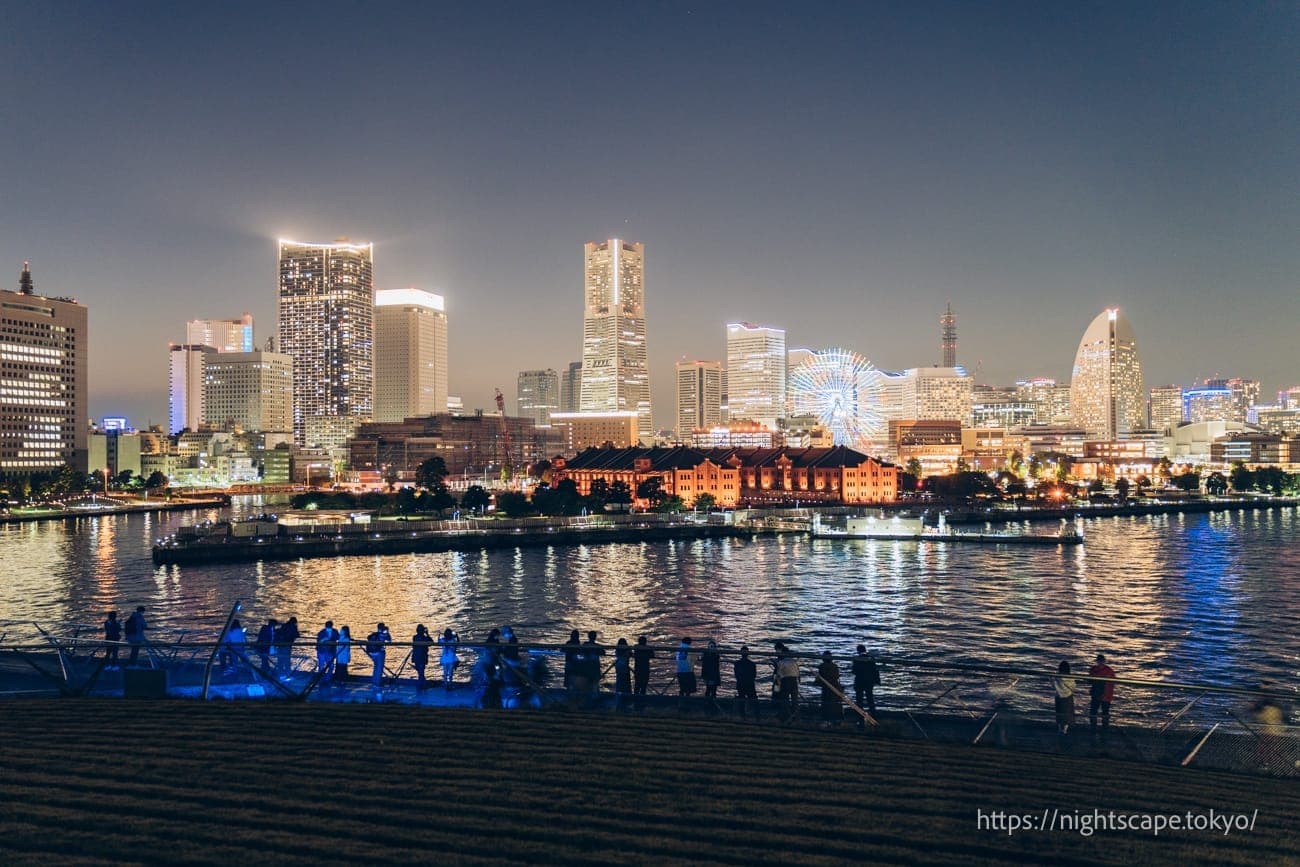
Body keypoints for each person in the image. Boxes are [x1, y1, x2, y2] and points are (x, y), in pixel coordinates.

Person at [1087, 653, 1116, 732]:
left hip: (1099, 694)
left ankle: (1094, 728)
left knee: (1094, 711)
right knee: (1104, 712)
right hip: (1105, 694)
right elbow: (1112, 683)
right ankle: (1104, 728)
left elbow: (1089, 680)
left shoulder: (1093, 669)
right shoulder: (1109, 671)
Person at [774, 641, 800, 724]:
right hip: (794, 681)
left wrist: (778, 683)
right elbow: (798, 672)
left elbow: (779, 674)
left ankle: (786, 716)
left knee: (785, 699)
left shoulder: (781, 662)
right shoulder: (794, 661)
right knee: (794, 700)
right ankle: (795, 716)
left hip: (785, 681)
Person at [851, 644, 881, 715]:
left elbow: (854, 671)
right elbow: (875, 670)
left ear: (858, 650)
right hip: (869, 681)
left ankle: (859, 714)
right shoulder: (870, 659)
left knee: (859, 699)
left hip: (859, 681)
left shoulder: (857, 659)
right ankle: (873, 713)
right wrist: (877, 680)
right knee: (870, 698)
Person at [733, 646, 759, 720]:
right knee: (754, 700)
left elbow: (736, 675)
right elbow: (754, 675)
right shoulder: (752, 664)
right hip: (750, 684)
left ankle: (743, 716)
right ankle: (757, 716)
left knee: (741, 700)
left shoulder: (737, 663)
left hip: (741, 683)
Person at [818, 651, 843, 724]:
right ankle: (836, 719)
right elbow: (837, 676)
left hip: (827, 687)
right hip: (835, 686)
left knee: (826, 703)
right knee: (835, 704)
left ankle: (826, 719)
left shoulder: (822, 666)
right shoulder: (834, 666)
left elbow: (820, 677)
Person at [1053, 660, 1076, 734]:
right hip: (1068, 696)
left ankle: (1059, 728)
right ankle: (1065, 729)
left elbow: (1053, 684)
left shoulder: (1057, 677)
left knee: (1059, 712)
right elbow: (1073, 686)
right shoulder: (1069, 678)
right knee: (1068, 713)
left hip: (1058, 696)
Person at [632, 635, 654, 712]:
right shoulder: (648, 649)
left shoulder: (636, 648)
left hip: (638, 668)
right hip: (645, 668)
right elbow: (652, 655)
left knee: (637, 685)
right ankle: (641, 703)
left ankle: (636, 702)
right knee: (643, 686)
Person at [366, 622, 391, 689]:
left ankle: (374, 682)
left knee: (375, 667)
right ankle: (377, 683)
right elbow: (389, 640)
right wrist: (387, 632)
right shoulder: (383, 635)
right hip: (379, 652)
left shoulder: (374, 634)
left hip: (372, 653)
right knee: (379, 668)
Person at [564, 629, 586, 703]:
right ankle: (574, 697)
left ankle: (569, 696)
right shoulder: (578, 643)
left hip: (569, 663)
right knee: (574, 681)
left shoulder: (569, 643)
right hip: (575, 664)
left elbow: (563, 650)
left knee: (568, 681)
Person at [582, 630, 604, 701]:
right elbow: (603, 652)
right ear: (595, 637)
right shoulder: (596, 646)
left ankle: (588, 699)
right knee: (594, 684)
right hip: (594, 666)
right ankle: (594, 699)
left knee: (588, 684)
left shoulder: (585, 645)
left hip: (587, 666)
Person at [675, 637, 696, 709]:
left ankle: (680, 703)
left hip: (679, 670)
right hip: (688, 671)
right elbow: (694, 660)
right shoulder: (690, 649)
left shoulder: (678, 649)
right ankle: (687, 703)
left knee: (681, 687)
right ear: (689, 642)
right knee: (688, 688)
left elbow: (676, 659)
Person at [412, 625, 433, 690]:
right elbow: (431, 642)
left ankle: (422, 684)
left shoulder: (415, 637)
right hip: (422, 657)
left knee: (420, 672)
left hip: (416, 656)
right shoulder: (424, 638)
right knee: (421, 672)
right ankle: (420, 685)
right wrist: (427, 634)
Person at [701, 640, 722, 705]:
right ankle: (709, 703)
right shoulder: (711, 655)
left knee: (712, 690)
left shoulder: (714, 655)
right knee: (709, 689)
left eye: (713, 646)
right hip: (709, 674)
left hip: (713, 674)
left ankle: (710, 703)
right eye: (711, 646)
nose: (712, 648)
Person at [613, 638, 632, 712]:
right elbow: (630, 654)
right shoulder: (627, 650)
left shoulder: (617, 651)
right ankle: (625, 703)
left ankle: (619, 703)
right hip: (624, 668)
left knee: (619, 684)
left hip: (619, 667)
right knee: (626, 685)